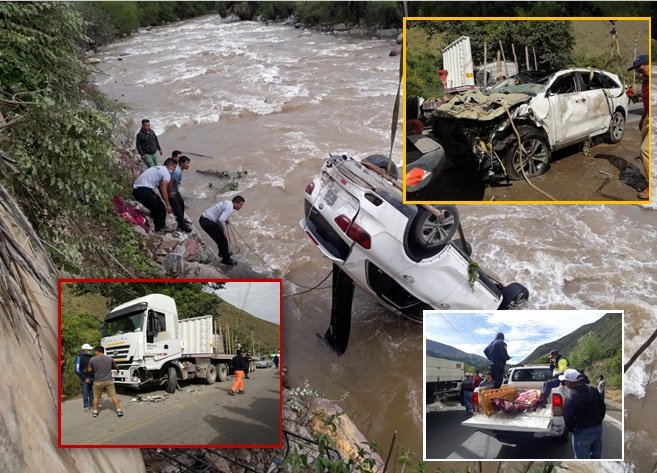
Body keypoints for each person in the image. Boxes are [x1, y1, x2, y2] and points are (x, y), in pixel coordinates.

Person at [560, 368, 606, 459]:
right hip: (598, 428)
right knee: (596, 456)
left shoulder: (570, 398)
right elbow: (602, 407)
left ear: (569, 382)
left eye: (565, 381)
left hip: (582, 431)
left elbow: (568, 419)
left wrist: (573, 430)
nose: (564, 383)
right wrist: (599, 421)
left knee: (582, 458)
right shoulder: (593, 390)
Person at [132, 158, 178, 232]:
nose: (174, 170)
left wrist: (163, 198)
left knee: (156, 203)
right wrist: (168, 205)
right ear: (170, 165)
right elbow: (163, 188)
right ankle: (161, 227)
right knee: (162, 208)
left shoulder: (158, 168)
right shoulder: (166, 173)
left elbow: (160, 188)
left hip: (137, 190)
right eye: (174, 167)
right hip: (144, 191)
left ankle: (154, 222)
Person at [199, 195, 245, 265]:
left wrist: (225, 220)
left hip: (205, 219)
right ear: (236, 203)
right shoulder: (230, 208)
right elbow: (221, 219)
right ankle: (226, 260)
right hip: (207, 222)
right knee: (223, 239)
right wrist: (224, 231)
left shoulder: (228, 203)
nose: (241, 207)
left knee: (220, 239)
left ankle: (222, 254)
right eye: (241, 205)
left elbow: (221, 215)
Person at [628, 55, 650, 199]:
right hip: (648, 116)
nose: (638, 71)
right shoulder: (645, 81)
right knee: (644, 149)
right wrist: (643, 117)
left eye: (640, 68)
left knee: (645, 151)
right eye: (637, 69)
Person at [87, 346, 123, 418]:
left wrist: (95, 368)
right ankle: (119, 410)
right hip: (109, 381)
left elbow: (89, 370)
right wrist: (117, 370)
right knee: (113, 396)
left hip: (98, 382)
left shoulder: (92, 359)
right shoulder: (110, 358)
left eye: (95, 351)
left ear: (97, 351)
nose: (94, 352)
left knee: (96, 397)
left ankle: (95, 412)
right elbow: (116, 366)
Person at [169, 151, 192, 233]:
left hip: (175, 190)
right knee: (177, 209)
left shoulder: (179, 170)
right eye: (187, 163)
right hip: (172, 191)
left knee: (181, 204)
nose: (188, 165)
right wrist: (170, 193)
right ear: (182, 163)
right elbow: (171, 182)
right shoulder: (177, 172)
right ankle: (182, 225)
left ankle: (182, 220)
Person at [75, 343, 95, 412]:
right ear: (85, 350)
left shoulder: (91, 357)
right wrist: (84, 378)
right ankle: (86, 406)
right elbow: (77, 370)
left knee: (91, 392)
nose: (90, 351)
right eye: (89, 350)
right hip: (85, 378)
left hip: (92, 377)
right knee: (85, 393)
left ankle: (92, 404)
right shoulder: (79, 358)